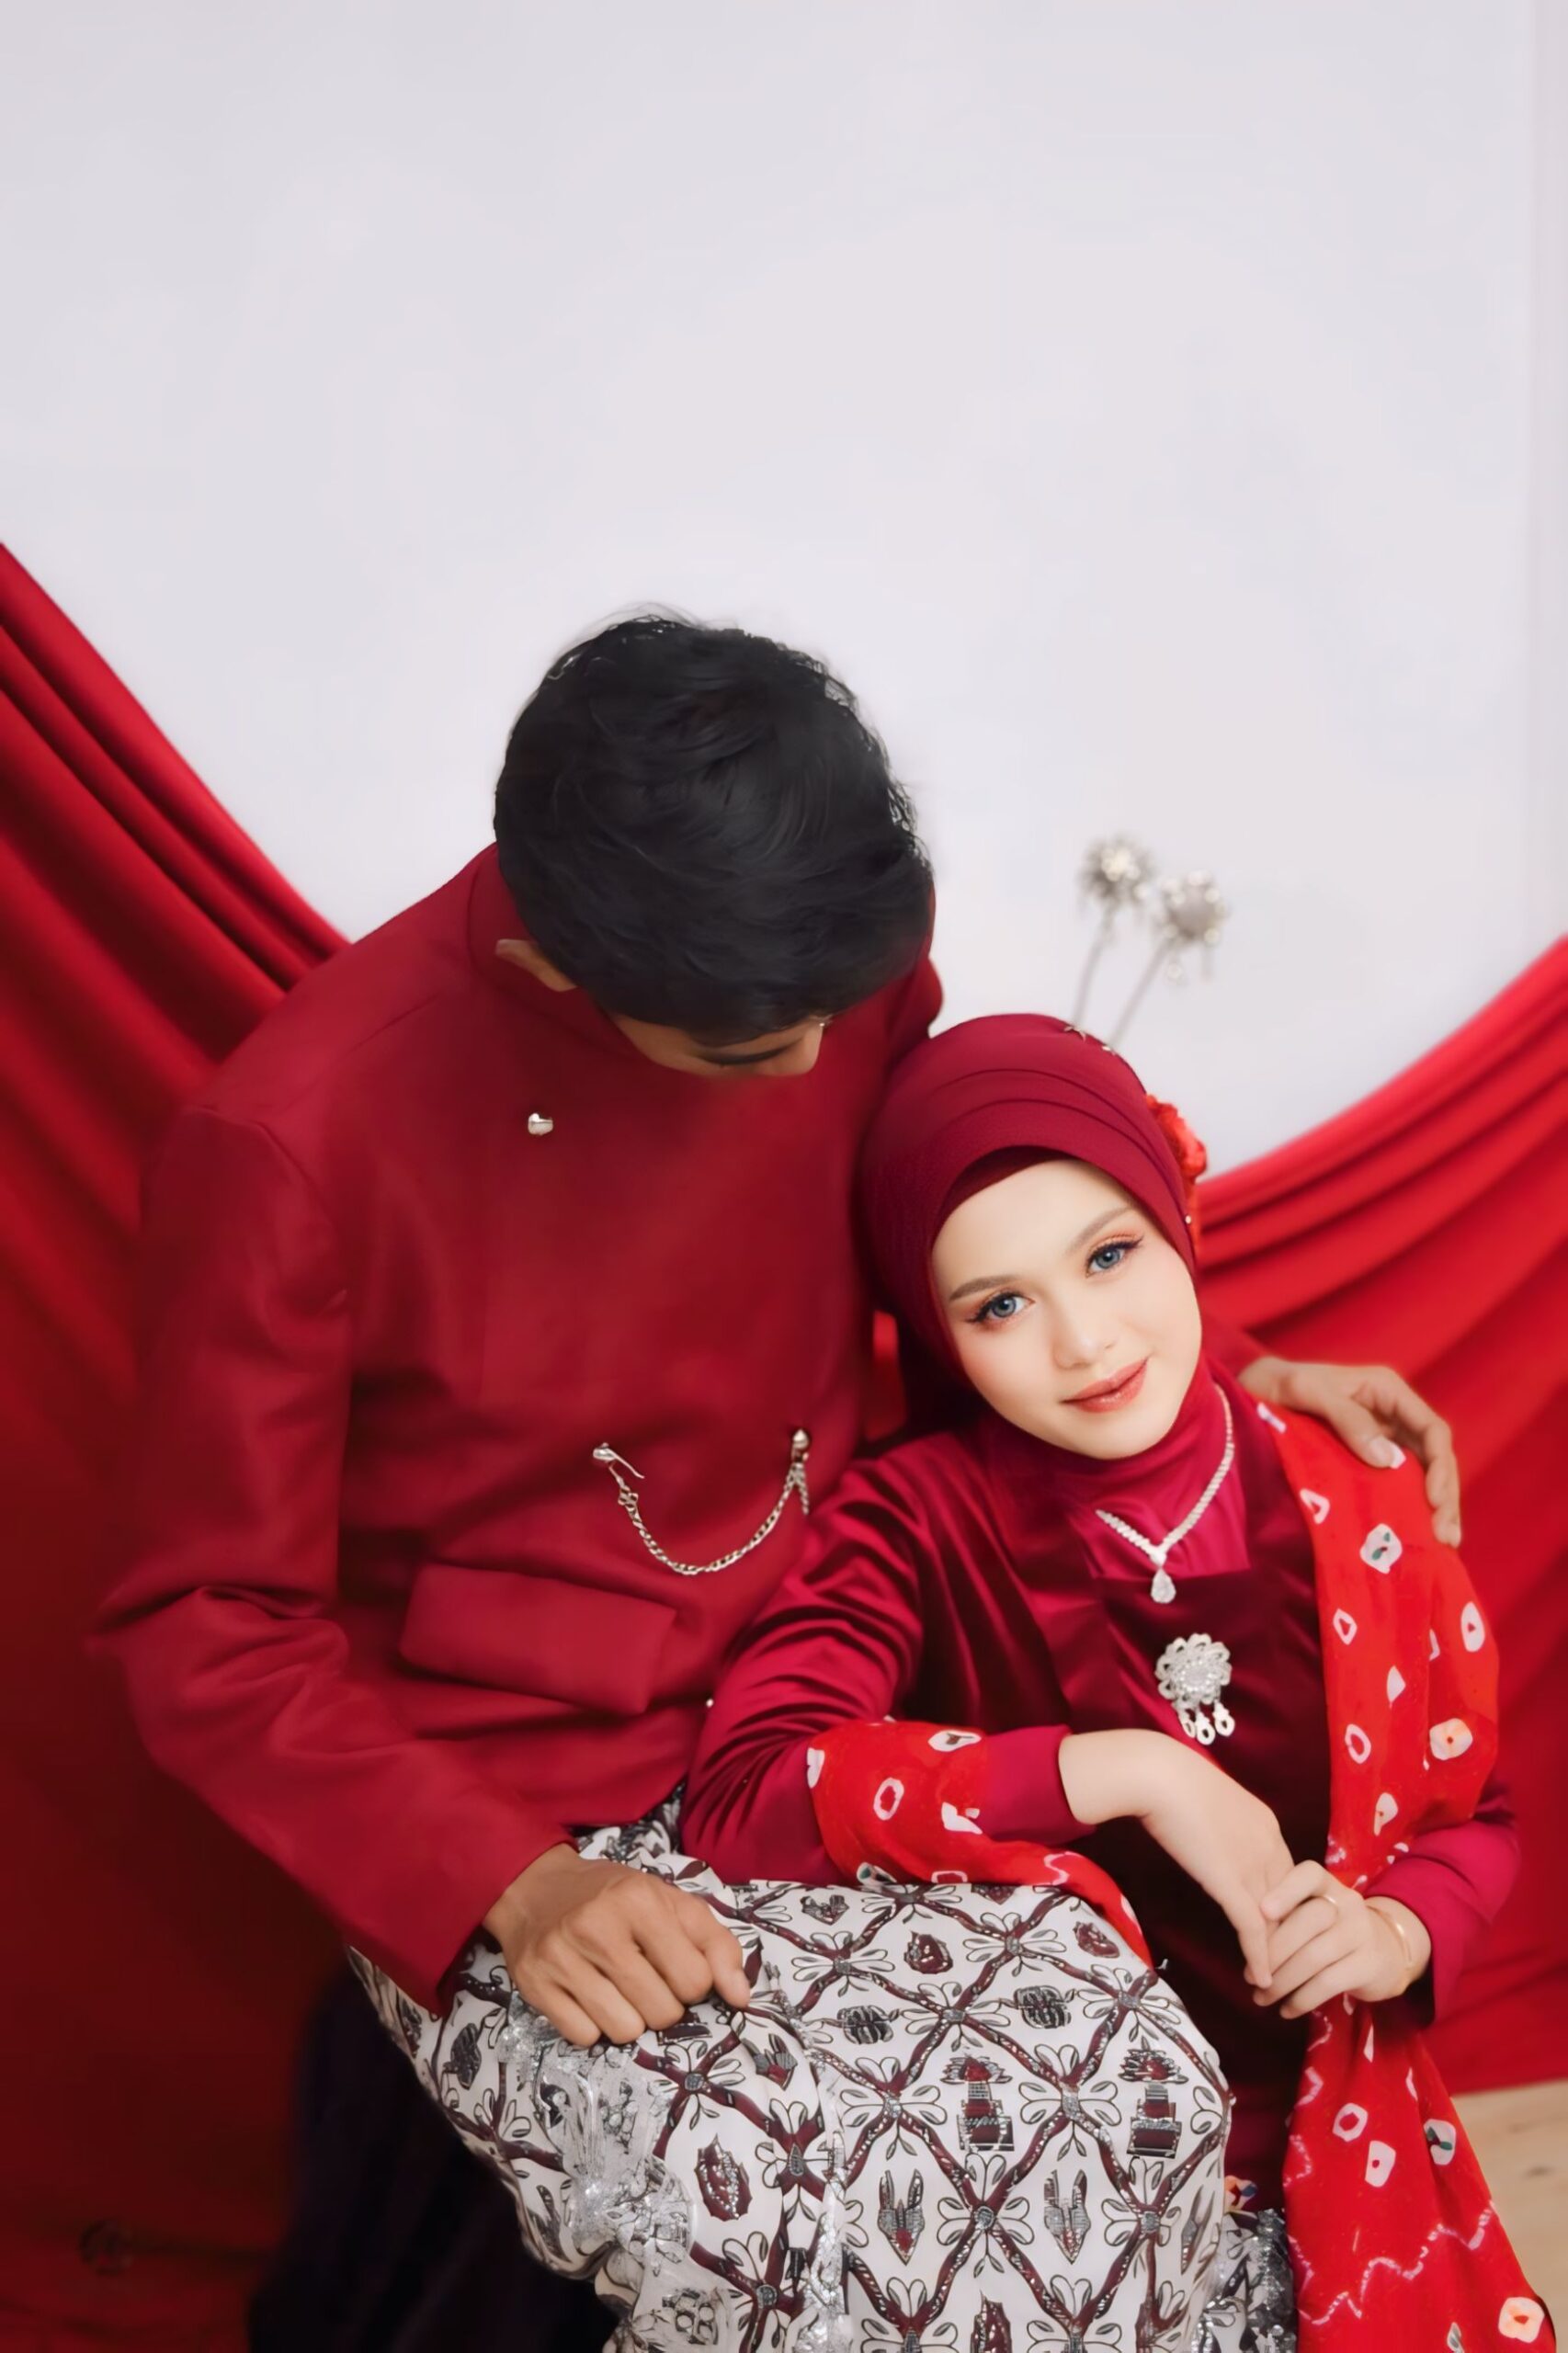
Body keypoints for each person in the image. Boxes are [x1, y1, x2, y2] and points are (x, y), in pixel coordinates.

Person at [97, 618, 1466, 2348]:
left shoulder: (822, 960)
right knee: (784, 2213)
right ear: (548, 965)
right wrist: (508, 1883)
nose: (816, 1071)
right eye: (752, 1054)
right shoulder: (291, 1142)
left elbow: (956, 1237)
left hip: (838, 1704)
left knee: (1132, 2081)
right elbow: (208, 1620)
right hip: (519, 1794)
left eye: (838, 1016)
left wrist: (1217, 1365)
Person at [682, 1014, 1548, 2351]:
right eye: (1000, 1306)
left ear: (1175, 1214)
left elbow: (1472, 1816)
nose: (1084, 1343)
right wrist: (1121, 1772)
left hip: (1340, 2156)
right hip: (1034, 2191)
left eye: (1108, 1254)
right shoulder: (911, 1521)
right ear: (935, 1330)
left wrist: (1397, 1934)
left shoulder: (1350, 1485)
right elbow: (749, 1792)